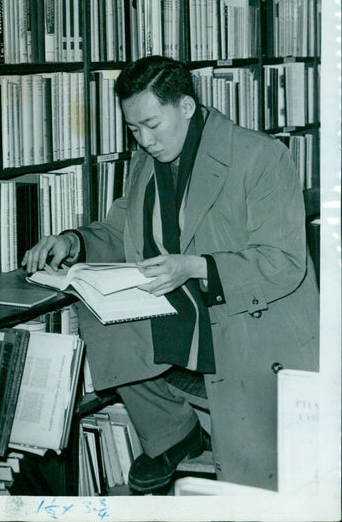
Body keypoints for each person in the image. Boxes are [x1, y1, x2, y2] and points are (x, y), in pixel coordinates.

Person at [22, 55, 319, 493]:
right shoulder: (149, 158)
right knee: (100, 318)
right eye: (133, 130)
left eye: (151, 125)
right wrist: (73, 241)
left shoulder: (260, 156)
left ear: (185, 106)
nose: (144, 141)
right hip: (185, 302)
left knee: (254, 485)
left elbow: (283, 262)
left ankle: (197, 433)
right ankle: (172, 433)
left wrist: (194, 266)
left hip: (250, 315)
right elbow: (121, 230)